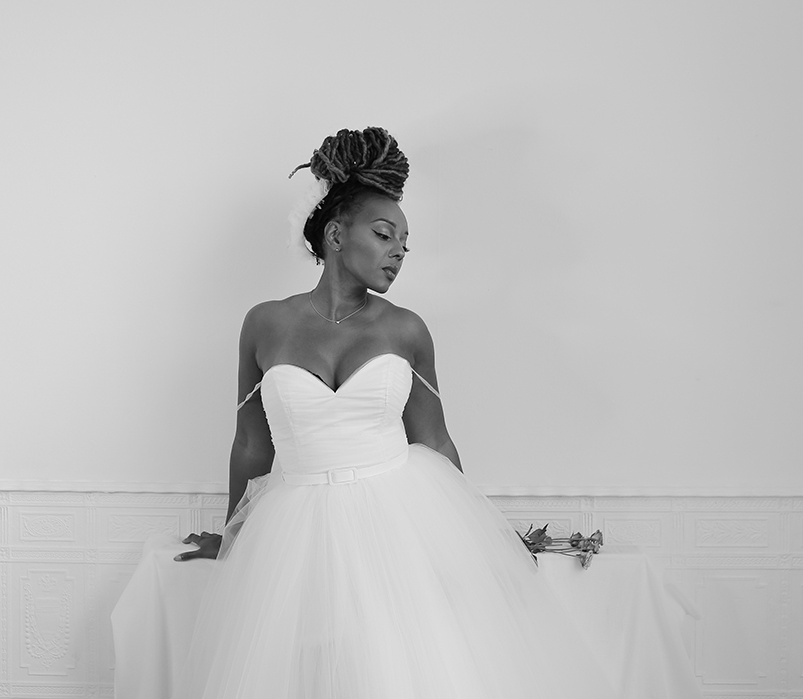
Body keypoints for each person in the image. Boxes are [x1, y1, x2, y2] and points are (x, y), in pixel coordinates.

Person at [171, 127, 618, 699]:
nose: (399, 251)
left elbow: (435, 441)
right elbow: (251, 446)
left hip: (396, 517)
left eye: (405, 242)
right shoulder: (264, 323)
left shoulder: (406, 329)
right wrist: (234, 535)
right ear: (335, 234)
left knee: (400, 671)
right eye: (385, 235)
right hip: (295, 525)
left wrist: (477, 539)